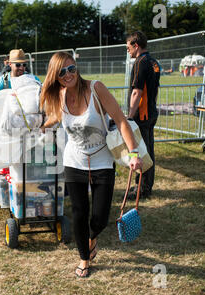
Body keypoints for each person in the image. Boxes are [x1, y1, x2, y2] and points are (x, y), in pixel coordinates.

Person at [40, 52, 143, 278]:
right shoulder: (59, 95)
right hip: (74, 161)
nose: (68, 75)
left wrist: (134, 152)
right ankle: (84, 258)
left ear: (77, 68)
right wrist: (43, 126)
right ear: (55, 77)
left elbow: (120, 120)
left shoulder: (96, 89)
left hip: (102, 160)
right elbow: (57, 117)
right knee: (79, 213)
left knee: (99, 217)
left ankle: (92, 238)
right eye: (62, 72)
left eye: (71, 69)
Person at [126, 31, 160, 199]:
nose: (128, 51)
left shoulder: (140, 62)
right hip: (151, 112)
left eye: (128, 47)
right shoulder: (154, 61)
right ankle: (144, 186)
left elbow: (136, 92)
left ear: (136, 45)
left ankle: (142, 189)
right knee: (149, 151)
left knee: (142, 152)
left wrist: (130, 117)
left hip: (143, 115)